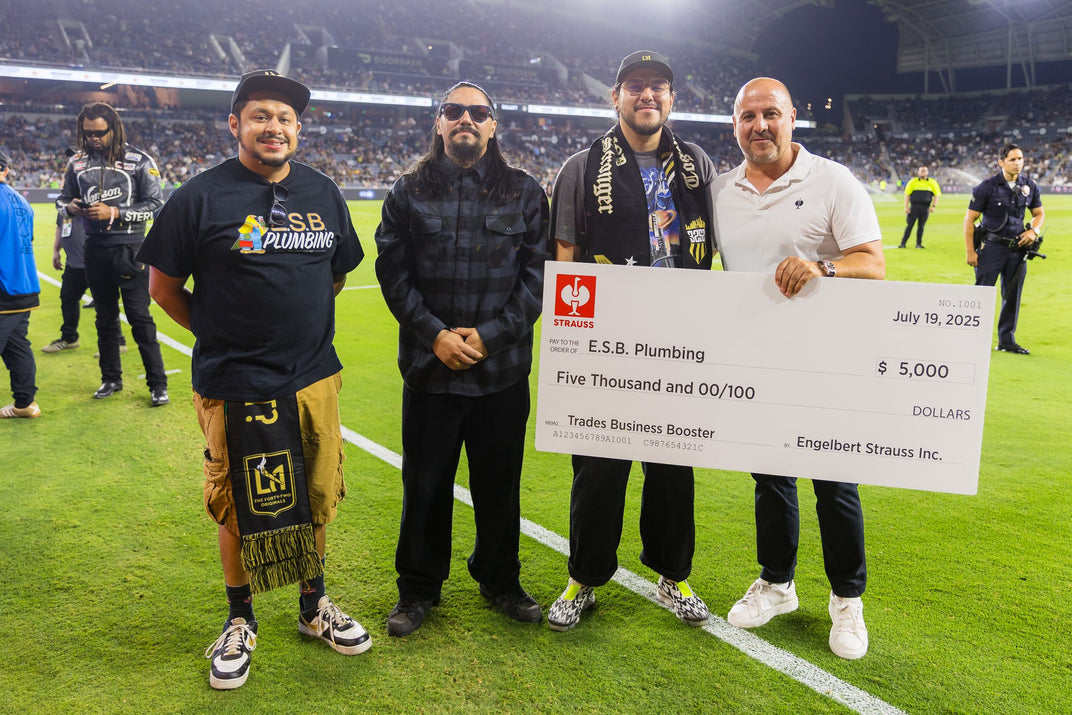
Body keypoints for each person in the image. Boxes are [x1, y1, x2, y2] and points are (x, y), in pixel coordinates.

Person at [138, 70, 370, 690]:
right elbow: (161, 287)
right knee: (239, 506)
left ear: (299, 128)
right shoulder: (199, 196)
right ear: (235, 123)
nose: (275, 127)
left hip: (314, 377)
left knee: (319, 496)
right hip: (235, 382)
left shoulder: (323, 191)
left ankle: (312, 607)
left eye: (286, 118)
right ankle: (241, 620)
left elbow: (338, 273)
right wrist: (219, 335)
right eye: (262, 115)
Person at [711, 77, 886, 660]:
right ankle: (779, 583)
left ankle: (847, 599)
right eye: (747, 116)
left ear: (792, 118)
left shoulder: (833, 180)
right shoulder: (719, 190)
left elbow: (873, 261)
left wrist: (822, 269)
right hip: (757, 360)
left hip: (826, 361)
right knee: (770, 478)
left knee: (835, 483)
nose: (759, 126)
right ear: (734, 124)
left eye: (770, 114)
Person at [546, 51, 715, 632]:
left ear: (672, 99)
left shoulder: (696, 163)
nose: (649, 96)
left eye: (660, 87)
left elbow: (721, 249)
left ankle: (674, 575)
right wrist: (568, 352)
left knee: (673, 467)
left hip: (679, 341)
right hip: (606, 346)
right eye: (636, 87)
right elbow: (564, 258)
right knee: (599, 468)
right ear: (615, 96)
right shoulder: (581, 166)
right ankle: (583, 579)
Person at [375, 81, 548, 637]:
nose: (465, 120)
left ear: (493, 125)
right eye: (454, 111)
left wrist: (491, 337)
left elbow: (538, 278)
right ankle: (419, 588)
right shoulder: (407, 191)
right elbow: (391, 273)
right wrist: (435, 335)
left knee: (500, 483)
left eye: (477, 113)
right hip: (430, 372)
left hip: (501, 373)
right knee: (424, 485)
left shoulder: (524, 192)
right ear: (439, 122)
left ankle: (499, 578)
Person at [56, 102, 168, 405]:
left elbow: (155, 204)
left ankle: (158, 384)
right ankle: (110, 379)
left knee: (139, 318)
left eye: (100, 133)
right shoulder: (76, 163)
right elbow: (62, 199)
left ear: (114, 128)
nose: (93, 138)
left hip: (131, 248)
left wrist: (114, 211)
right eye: (88, 133)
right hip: (94, 250)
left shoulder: (140, 161)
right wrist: (71, 207)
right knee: (104, 320)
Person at [963, 143, 1044, 355]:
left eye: (1020, 159)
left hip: (1017, 250)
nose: (1018, 164)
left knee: (1012, 295)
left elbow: (1039, 214)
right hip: (991, 248)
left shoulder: (1029, 186)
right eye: (1013, 160)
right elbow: (969, 220)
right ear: (1001, 162)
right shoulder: (986, 187)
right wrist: (970, 251)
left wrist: (1033, 231)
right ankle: (972, 340)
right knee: (981, 295)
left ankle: (1006, 340)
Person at [0, 147, 41, 419]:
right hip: (24, 286)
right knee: (17, 347)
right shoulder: (20, 200)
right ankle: (25, 404)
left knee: (17, 346)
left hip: (4, 287)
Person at [899, 166, 940, 248]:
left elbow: (936, 195)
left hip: (925, 208)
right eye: (921, 171)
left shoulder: (932, 182)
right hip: (914, 207)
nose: (922, 172)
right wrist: (906, 207)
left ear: (927, 172)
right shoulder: (913, 182)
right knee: (909, 225)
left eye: (924, 171)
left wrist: (934, 206)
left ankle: (918, 244)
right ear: (918, 172)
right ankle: (903, 243)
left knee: (921, 226)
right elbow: (907, 195)